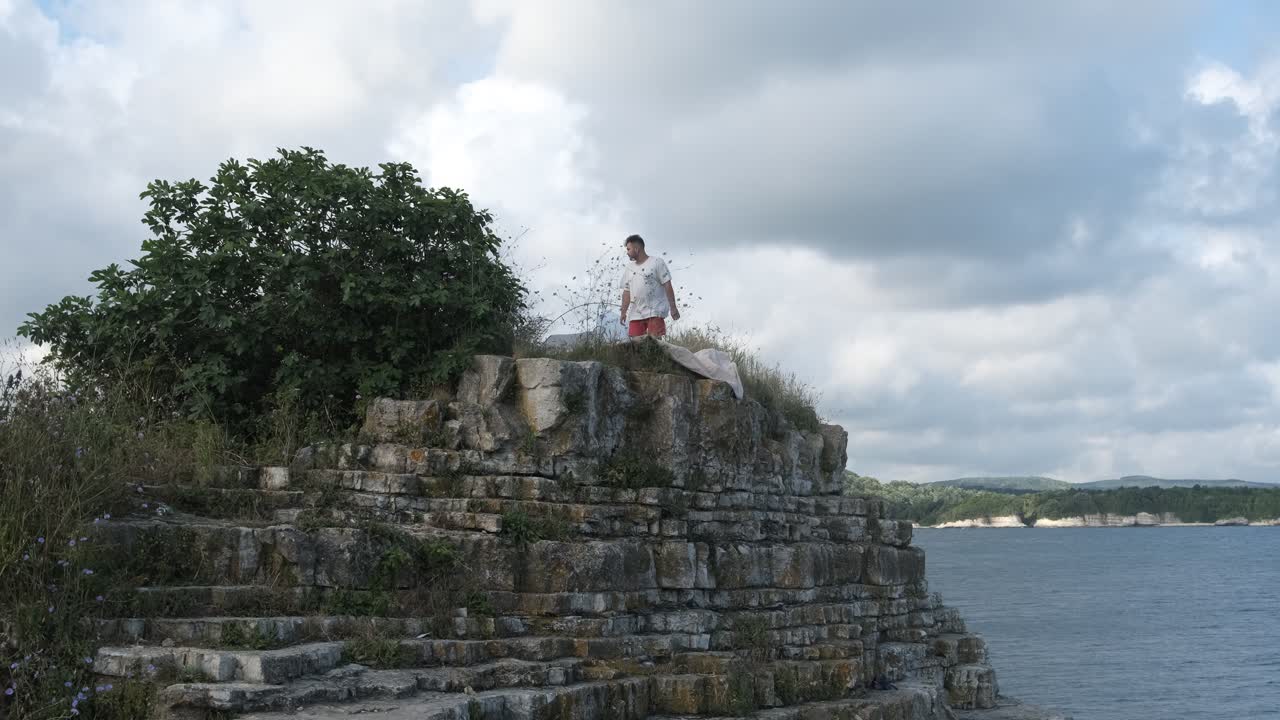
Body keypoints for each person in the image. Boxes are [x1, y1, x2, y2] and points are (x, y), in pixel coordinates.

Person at [618, 234, 679, 338]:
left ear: (637, 249)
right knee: (636, 347)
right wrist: (623, 312)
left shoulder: (656, 262)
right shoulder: (629, 268)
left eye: (628, 249)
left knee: (655, 345)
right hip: (635, 314)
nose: (627, 253)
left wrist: (673, 307)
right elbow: (627, 292)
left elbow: (667, 284)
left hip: (655, 312)